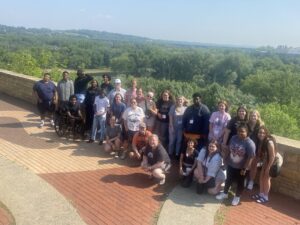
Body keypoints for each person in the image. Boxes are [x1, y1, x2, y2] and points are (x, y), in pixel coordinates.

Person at [216, 125, 255, 206]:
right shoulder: (234, 138)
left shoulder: (250, 143)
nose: (240, 133)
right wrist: (225, 159)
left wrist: (245, 168)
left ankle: (237, 197)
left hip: (242, 167)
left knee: (240, 183)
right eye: (239, 131)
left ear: (247, 132)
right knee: (228, 179)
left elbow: (251, 157)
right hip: (231, 164)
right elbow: (229, 149)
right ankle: (225, 193)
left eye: (242, 131)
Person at [251, 126, 276, 204]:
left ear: (266, 134)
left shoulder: (269, 142)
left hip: (272, 162)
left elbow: (272, 156)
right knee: (261, 177)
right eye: (259, 132)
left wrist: (268, 168)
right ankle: (261, 194)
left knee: (266, 178)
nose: (261, 134)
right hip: (265, 161)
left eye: (263, 133)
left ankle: (266, 196)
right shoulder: (261, 141)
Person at [246, 110, 264, 190]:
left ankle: (251, 181)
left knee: (253, 167)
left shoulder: (260, 126)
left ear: (258, 117)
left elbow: (263, 138)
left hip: (256, 149)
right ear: (249, 117)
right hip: (246, 148)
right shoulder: (247, 125)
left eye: (255, 116)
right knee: (245, 165)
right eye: (252, 115)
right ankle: (244, 179)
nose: (253, 117)